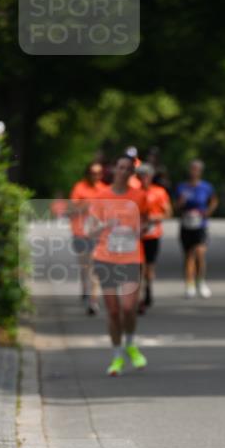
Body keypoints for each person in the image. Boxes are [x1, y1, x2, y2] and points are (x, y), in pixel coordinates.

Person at [86, 155, 149, 375]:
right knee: (113, 311)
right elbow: (89, 230)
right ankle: (117, 357)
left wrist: (140, 229)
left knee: (129, 307)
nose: (122, 172)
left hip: (131, 258)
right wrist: (106, 224)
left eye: (127, 169)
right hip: (106, 258)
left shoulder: (139, 196)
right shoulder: (101, 196)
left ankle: (130, 343)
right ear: (114, 170)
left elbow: (147, 221)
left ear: (132, 173)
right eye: (119, 167)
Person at [174, 160, 219, 298]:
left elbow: (214, 201)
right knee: (189, 256)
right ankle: (189, 285)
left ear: (200, 171)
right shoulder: (182, 187)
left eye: (197, 169)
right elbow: (175, 207)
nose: (194, 171)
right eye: (192, 169)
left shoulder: (206, 187)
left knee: (199, 253)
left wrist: (208, 212)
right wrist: (180, 204)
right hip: (186, 224)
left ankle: (201, 282)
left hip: (201, 224)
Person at [68, 161, 108, 314]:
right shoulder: (79, 188)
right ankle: (85, 288)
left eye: (98, 173)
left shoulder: (105, 189)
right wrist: (85, 206)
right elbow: (70, 209)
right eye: (93, 173)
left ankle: (93, 300)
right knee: (85, 265)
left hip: (97, 233)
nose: (95, 176)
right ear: (88, 173)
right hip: (80, 232)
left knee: (94, 266)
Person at [136, 162, 172, 312]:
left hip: (152, 234)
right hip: (136, 234)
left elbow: (168, 213)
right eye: (141, 176)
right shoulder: (133, 192)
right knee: (138, 267)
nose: (144, 179)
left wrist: (154, 217)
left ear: (151, 177)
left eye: (146, 176)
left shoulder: (159, 192)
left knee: (149, 267)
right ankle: (139, 298)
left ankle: (148, 288)